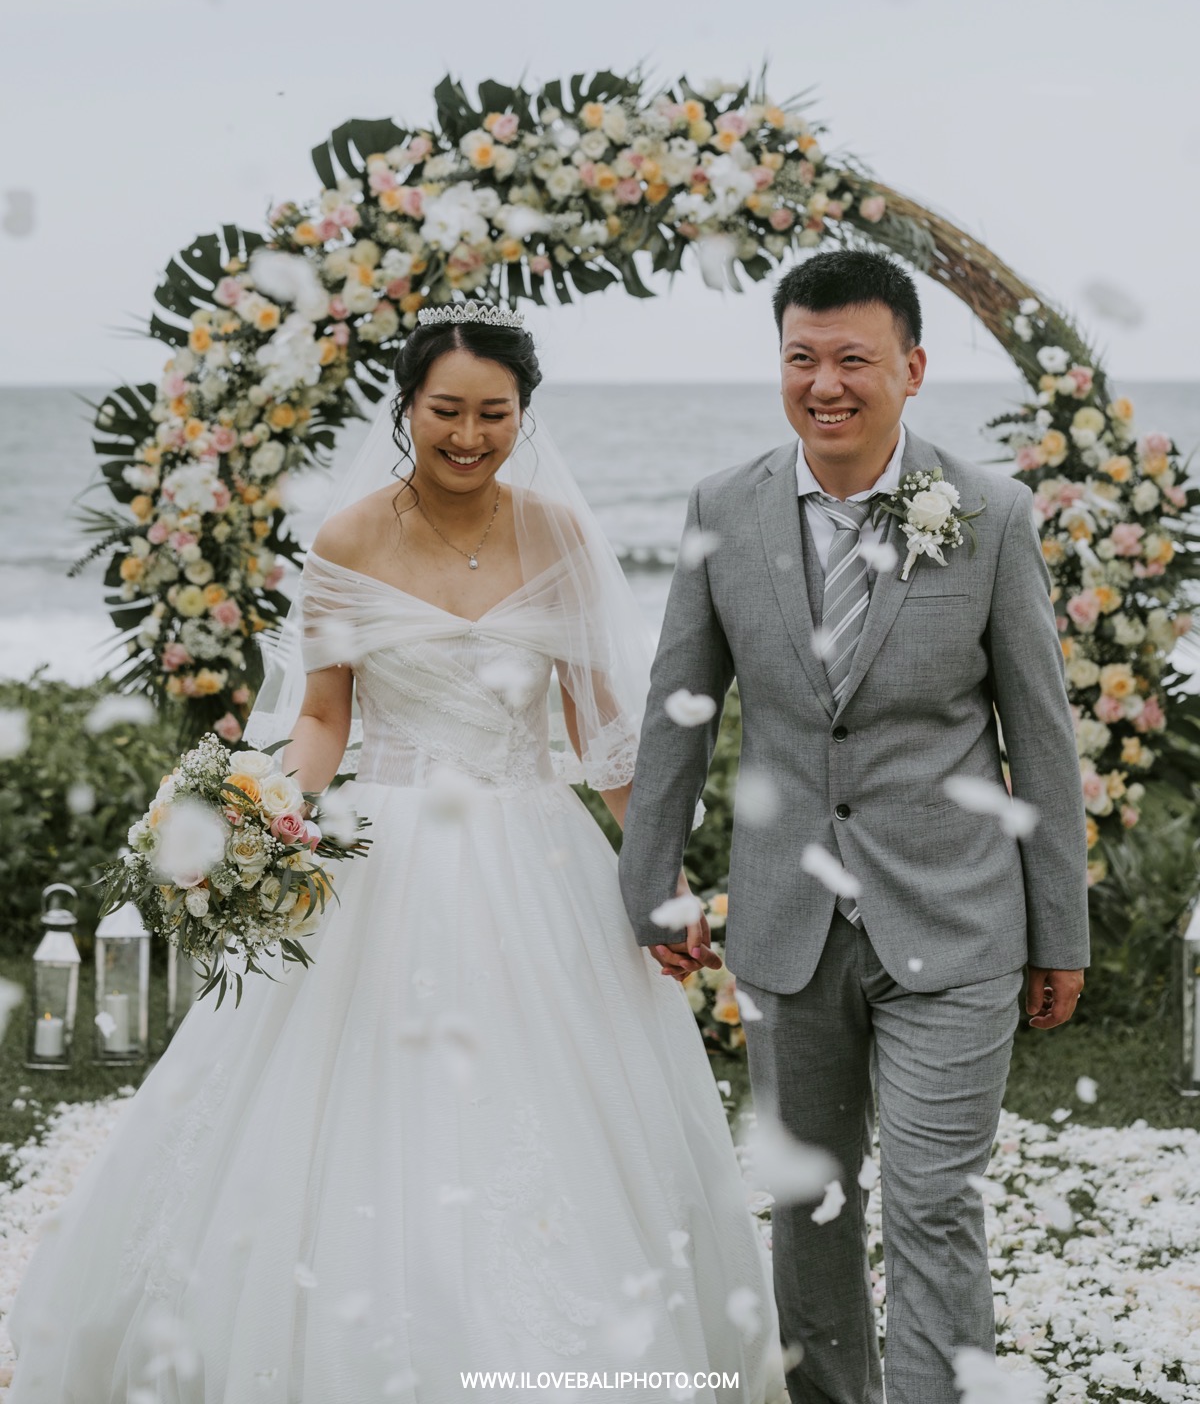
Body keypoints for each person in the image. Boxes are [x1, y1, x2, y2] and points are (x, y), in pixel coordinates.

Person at [8, 302, 784, 1403]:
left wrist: (661, 879)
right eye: (446, 411)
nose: (469, 436)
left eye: (494, 414)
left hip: (535, 855)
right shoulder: (348, 541)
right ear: (407, 407)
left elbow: (604, 732)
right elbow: (324, 716)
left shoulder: (559, 536)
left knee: (557, 1112)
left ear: (524, 414)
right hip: (387, 850)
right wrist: (265, 814)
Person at [618, 249, 1090, 1404]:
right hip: (786, 923)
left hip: (958, 919)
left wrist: (1060, 930)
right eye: (801, 358)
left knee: (936, 1202)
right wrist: (652, 884)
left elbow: (1040, 737)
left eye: (852, 360)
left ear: (911, 369)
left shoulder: (990, 515)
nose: (824, 384)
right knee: (810, 1202)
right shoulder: (722, 509)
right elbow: (680, 709)